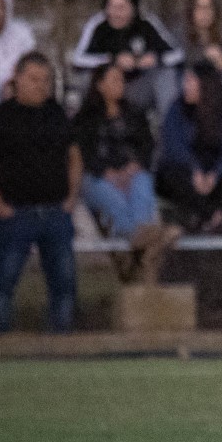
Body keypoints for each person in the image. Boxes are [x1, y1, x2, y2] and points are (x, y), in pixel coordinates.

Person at [0, 53, 79, 333]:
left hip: (55, 211)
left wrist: (71, 198)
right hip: (16, 213)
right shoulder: (0, 117)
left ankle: (61, 338)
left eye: (45, 80)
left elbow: (74, 157)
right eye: (33, 79)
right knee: (4, 280)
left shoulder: (57, 114)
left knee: (64, 281)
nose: (40, 85)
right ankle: (0, 338)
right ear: (17, 79)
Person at [73, 63, 178, 281]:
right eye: (114, 80)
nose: (120, 84)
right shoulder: (84, 119)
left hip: (131, 172)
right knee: (107, 191)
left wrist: (134, 165)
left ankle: (140, 240)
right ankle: (145, 238)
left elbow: (147, 146)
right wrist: (107, 171)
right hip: (98, 175)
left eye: (121, 80)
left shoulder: (135, 113)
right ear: (100, 85)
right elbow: (82, 153)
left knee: (142, 182)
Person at [156, 64, 222, 233]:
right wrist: (194, 169)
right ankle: (213, 216)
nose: (185, 86)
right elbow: (174, 144)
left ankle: (203, 217)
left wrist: (216, 173)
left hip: (219, 170)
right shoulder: (177, 108)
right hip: (189, 170)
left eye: (190, 81)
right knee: (169, 176)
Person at [70, 0, 183, 116]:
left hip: (135, 88)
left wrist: (155, 59)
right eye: (111, 6)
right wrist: (113, 60)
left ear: (133, 8)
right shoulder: (98, 24)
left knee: (166, 75)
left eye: (121, 8)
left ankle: (170, 124)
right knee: (86, 78)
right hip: (104, 92)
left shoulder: (147, 23)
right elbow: (77, 59)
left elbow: (178, 54)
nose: (115, 13)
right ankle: (87, 122)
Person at [181, 0, 222, 96]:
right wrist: (204, 55)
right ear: (192, 11)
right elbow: (179, 58)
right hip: (190, 80)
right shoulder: (181, 32)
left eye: (208, 7)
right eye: (199, 7)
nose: (204, 13)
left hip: (216, 79)